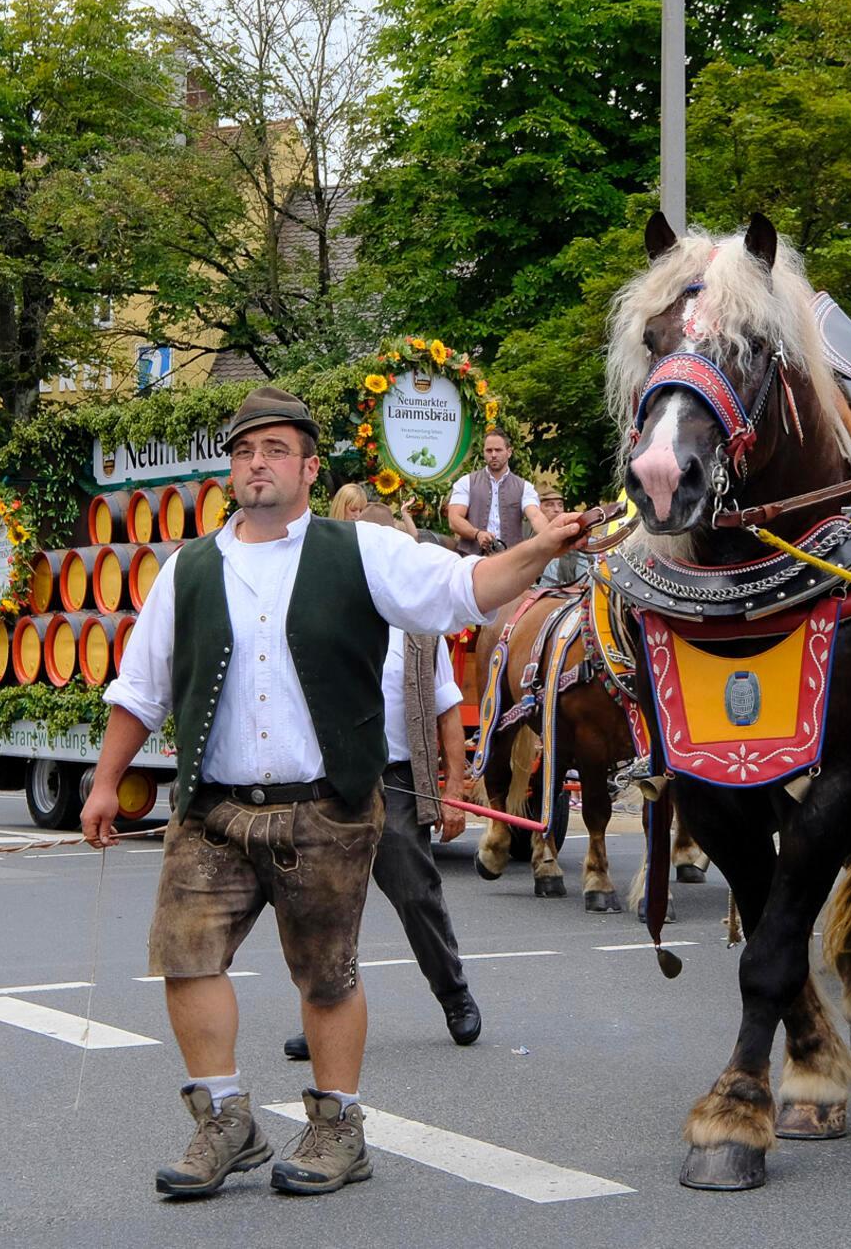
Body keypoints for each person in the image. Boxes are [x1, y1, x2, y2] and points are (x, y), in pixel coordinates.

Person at [78, 386, 589, 1198]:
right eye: (245, 451)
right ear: (230, 472)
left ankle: (338, 1129)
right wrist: (107, 783)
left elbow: (467, 586)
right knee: (185, 959)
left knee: (326, 976)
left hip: (328, 805)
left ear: (310, 468)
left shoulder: (361, 552)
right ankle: (225, 1119)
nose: (257, 464)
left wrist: (544, 547)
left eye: (275, 450)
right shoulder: (188, 571)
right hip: (212, 807)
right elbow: (138, 690)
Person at [282, 502, 480, 1060]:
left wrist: (454, 789)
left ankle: (456, 996)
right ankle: (324, 1014)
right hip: (331, 780)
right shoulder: (323, 616)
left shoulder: (420, 630)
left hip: (396, 779)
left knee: (418, 893)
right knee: (327, 905)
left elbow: (447, 710)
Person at [445, 427, 549, 553]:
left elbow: (536, 516)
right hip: (471, 559)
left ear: (509, 452)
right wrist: (477, 534)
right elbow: (454, 519)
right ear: (483, 452)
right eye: (489, 450)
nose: (493, 455)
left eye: (498, 450)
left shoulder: (524, 487)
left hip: (510, 561)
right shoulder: (466, 482)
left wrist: (550, 537)